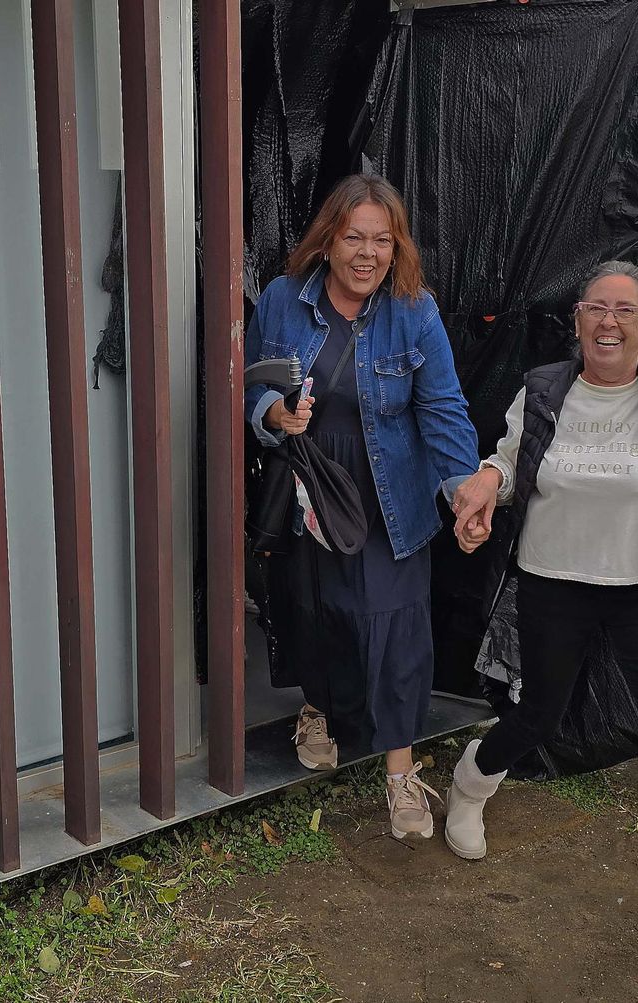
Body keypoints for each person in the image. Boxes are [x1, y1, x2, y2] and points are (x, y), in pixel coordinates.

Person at [446, 262, 638, 967]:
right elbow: (509, 454)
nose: (608, 321)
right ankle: (470, 785)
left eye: (624, 309)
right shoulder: (547, 388)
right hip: (553, 581)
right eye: (595, 307)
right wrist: (485, 488)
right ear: (579, 319)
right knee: (538, 717)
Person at [244, 173, 479, 839]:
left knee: (398, 625)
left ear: (397, 247)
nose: (367, 253)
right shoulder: (286, 300)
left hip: (390, 490)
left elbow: (442, 408)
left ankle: (400, 772)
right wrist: (276, 413)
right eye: (354, 237)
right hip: (312, 483)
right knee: (319, 610)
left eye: (382, 239)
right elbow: (249, 387)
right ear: (328, 241)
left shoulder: (414, 310)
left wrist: (461, 486)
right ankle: (317, 707)